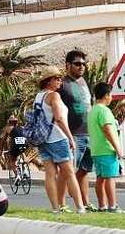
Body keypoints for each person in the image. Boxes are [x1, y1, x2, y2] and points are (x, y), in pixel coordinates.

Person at [34, 66, 86, 214]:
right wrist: (70, 138)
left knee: (50, 174)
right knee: (69, 173)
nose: (59, 81)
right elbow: (59, 118)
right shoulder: (54, 96)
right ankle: (80, 207)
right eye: (56, 78)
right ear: (48, 81)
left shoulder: (38, 97)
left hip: (43, 140)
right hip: (58, 138)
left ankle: (55, 208)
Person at [57, 49, 96, 212]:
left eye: (83, 64)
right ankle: (61, 205)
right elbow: (56, 110)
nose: (81, 67)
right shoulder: (62, 85)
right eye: (77, 64)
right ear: (68, 65)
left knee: (84, 170)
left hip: (89, 133)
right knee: (67, 171)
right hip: (73, 135)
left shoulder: (84, 82)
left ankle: (86, 203)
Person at [87, 83, 125, 212]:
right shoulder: (104, 111)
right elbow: (108, 130)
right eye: (111, 95)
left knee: (100, 178)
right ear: (106, 95)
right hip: (107, 149)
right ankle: (112, 206)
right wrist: (117, 148)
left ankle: (102, 205)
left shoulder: (93, 110)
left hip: (96, 150)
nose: (112, 98)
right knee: (110, 178)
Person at [2, 115, 27, 180]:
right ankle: (25, 170)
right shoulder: (22, 127)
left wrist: (1, 150)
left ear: (9, 122)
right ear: (16, 122)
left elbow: (4, 139)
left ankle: (17, 175)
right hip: (25, 143)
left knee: (12, 160)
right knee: (22, 152)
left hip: (15, 146)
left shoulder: (8, 128)